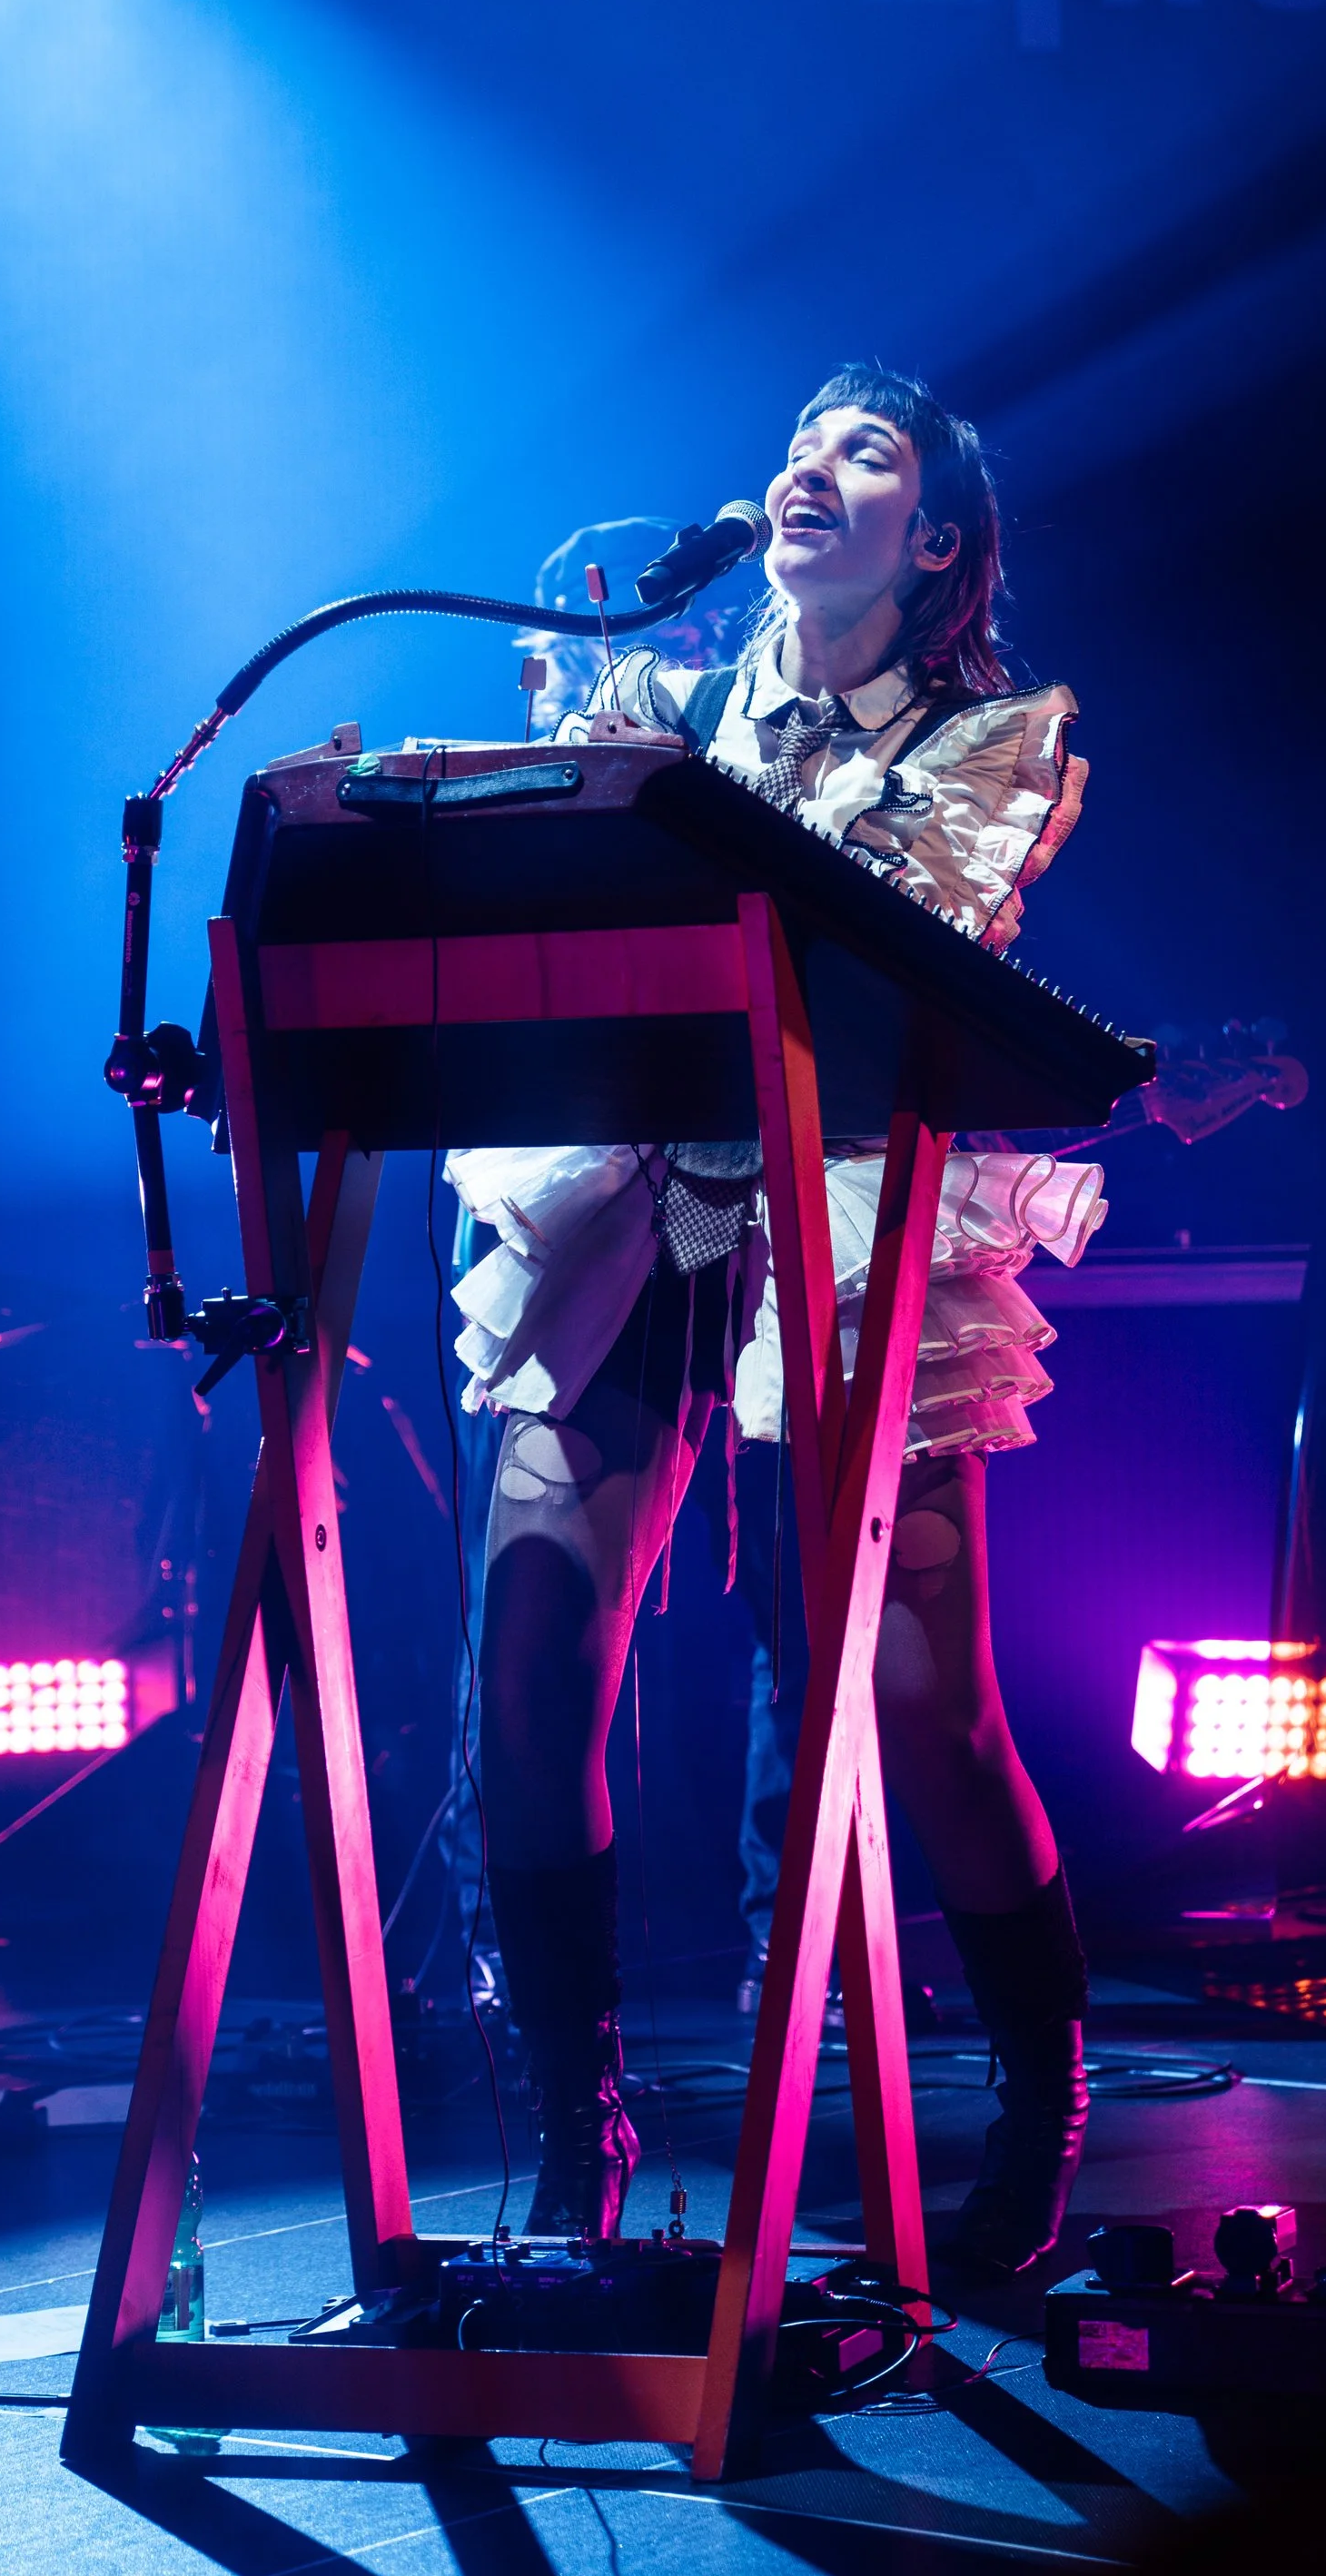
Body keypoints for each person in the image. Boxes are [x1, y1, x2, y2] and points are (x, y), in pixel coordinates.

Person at [445, 366, 1106, 2269]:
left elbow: (881, 928)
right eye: (804, 438)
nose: (812, 467)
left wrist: (659, 805)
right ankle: (578, 2134)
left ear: (937, 541)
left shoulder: (995, 740)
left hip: (849, 1201)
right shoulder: (656, 704)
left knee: (921, 1707)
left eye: (868, 454)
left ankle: (1033, 2096)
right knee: (533, 1635)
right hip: (634, 1189)